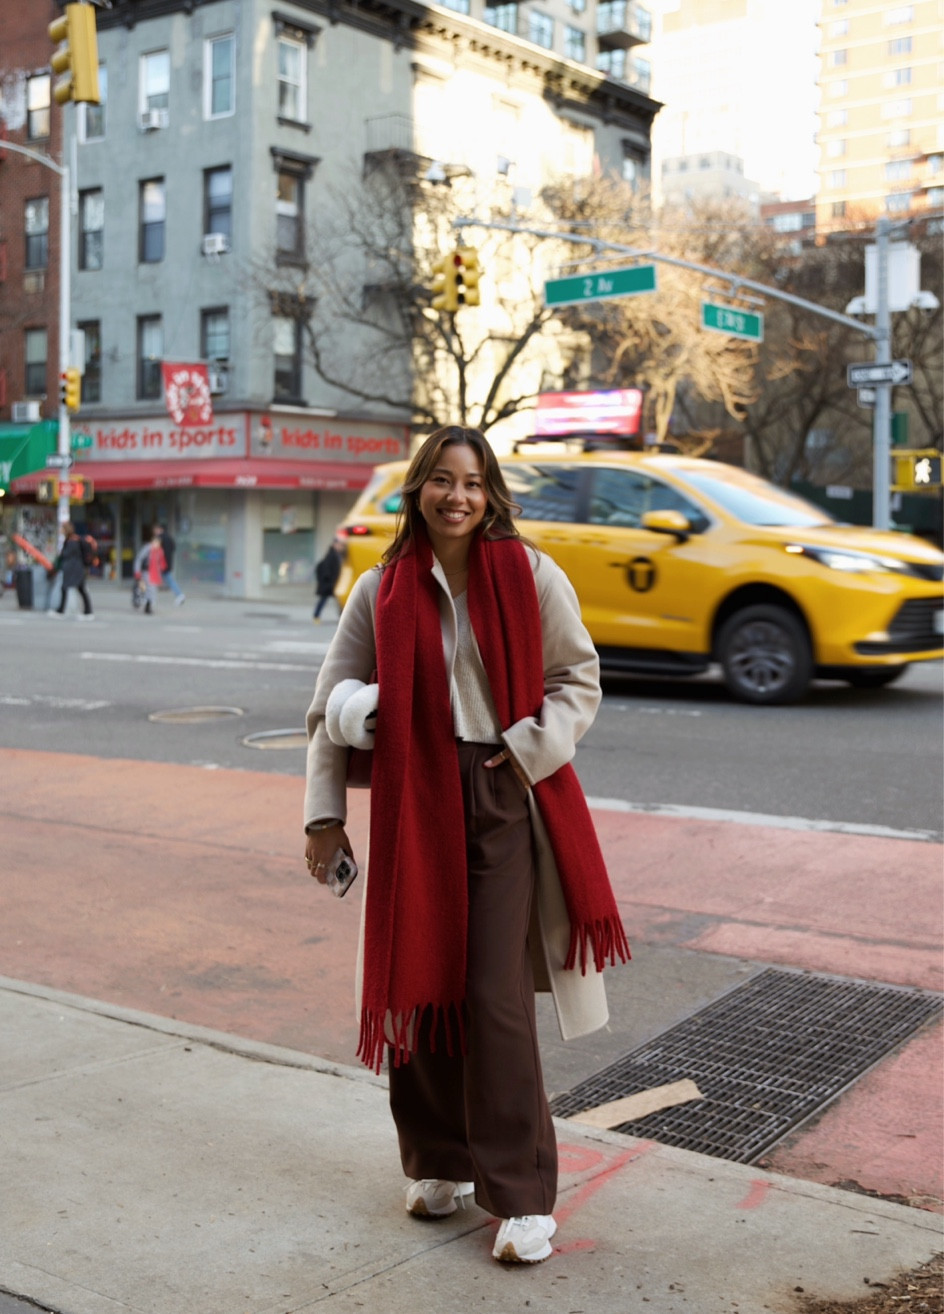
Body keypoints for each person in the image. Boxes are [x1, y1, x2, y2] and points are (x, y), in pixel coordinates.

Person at [303, 426, 629, 1265]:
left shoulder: (531, 574)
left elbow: (579, 678)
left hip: (500, 791)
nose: (458, 496)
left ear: (491, 495)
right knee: (417, 981)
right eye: (443, 481)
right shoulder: (381, 590)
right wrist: (325, 812)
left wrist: (522, 754)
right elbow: (327, 704)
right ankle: (438, 1162)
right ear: (417, 490)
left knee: (491, 995)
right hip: (416, 798)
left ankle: (521, 1197)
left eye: (474, 483)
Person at [51, 522, 95, 619]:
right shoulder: (73, 540)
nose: (60, 530)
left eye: (62, 529)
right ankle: (87, 611)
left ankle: (87, 611)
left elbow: (67, 555)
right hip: (76, 569)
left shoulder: (72, 541)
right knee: (75, 589)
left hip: (74, 570)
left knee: (77, 589)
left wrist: (61, 556)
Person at [133, 529, 167, 615]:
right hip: (146, 572)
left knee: (152, 590)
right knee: (145, 589)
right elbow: (139, 559)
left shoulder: (160, 551)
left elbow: (160, 563)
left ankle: (148, 606)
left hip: (154, 574)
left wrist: (161, 574)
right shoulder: (147, 548)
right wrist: (137, 571)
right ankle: (141, 602)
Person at [312, 536, 345, 621]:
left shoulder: (335, 554)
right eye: (339, 545)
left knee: (338, 600)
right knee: (324, 599)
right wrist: (329, 581)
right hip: (330, 583)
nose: (340, 547)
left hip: (332, 583)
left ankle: (343, 617)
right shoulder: (332, 555)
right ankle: (316, 616)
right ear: (335, 544)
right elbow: (327, 569)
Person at [156, 525, 185, 605]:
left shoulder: (159, 538)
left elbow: (155, 550)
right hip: (168, 562)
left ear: (160, 529)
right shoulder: (169, 538)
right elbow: (173, 548)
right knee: (166, 579)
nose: (155, 531)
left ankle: (179, 594)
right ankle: (179, 594)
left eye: (156, 529)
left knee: (162, 579)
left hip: (160, 563)